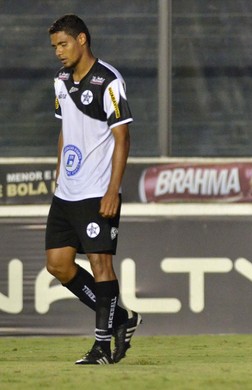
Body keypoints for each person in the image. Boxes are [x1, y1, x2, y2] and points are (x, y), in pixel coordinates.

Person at [46, 14, 141, 364]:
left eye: (63, 44)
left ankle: (102, 345)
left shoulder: (108, 81)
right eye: (55, 46)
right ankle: (121, 319)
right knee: (57, 264)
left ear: (82, 39)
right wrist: (59, 175)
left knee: (101, 264)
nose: (58, 52)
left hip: (97, 189)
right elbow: (65, 130)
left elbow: (122, 137)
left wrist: (113, 190)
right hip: (67, 191)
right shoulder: (60, 81)